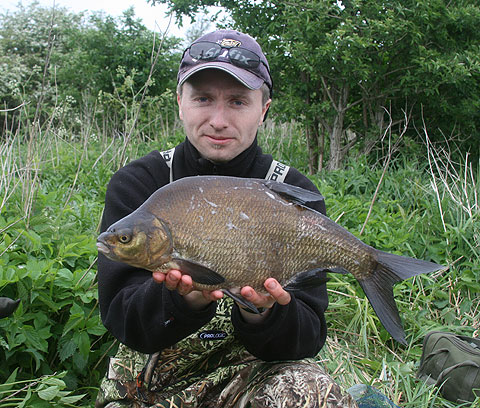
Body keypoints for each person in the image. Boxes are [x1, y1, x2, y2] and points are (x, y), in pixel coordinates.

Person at [95, 29, 357, 408]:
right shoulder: (140, 183)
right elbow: (123, 320)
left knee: (316, 395)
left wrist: (263, 312)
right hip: (150, 376)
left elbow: (307, 340)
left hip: (252, 373)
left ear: (263, 110)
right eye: (203, 98)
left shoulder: (291, 190)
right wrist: (188, 300)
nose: (218, 120)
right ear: (180, 103)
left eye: (237, 102)